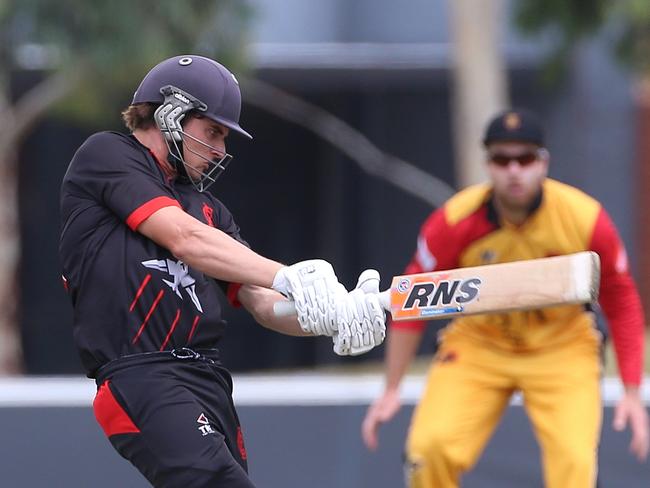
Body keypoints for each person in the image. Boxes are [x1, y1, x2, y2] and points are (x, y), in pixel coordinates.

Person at [59, 54, 386, 488]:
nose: (221, 149)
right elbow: (183, 239)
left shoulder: (211, 211)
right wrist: (290, 276)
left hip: (208, 381)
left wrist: (335, 315)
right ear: (171, 112)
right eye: (213, 131)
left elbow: (263, 303)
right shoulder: (107, 155)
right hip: (141, 374)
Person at [362, 109, 649, 488]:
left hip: (561, 347)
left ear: (544, 162)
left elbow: (621, 297)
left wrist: (631, 390)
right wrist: (392, 388)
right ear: (488, 164)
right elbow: (412, 300)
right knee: (427, 452)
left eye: (525, 158)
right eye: (502, 159)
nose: (514, 170)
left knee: (575, 466)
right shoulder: (455, 221)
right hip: (480, 344)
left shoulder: (583, 218)